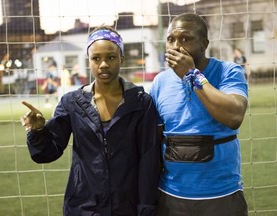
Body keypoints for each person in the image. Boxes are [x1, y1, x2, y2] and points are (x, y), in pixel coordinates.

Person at [20, 25, 160, 216]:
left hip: (127, 205)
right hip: (83, 206)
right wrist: (37, 132)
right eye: (96, 58)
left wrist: (146, 208)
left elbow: (148, 160)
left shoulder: (141, 103)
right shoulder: (71, 103)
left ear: (122, 58)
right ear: (89, 61)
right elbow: (48, 153)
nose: (103, 64)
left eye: (110, 57)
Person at [149, 13, 248, 216]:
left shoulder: (228, 71)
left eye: (185, 39)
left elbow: (234, 116)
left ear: (204, 44)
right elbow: (154, 139)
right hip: (171, 195)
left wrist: (192, 75)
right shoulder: (160, 82)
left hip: (221, 195)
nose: (176, 46)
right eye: (171, 39)